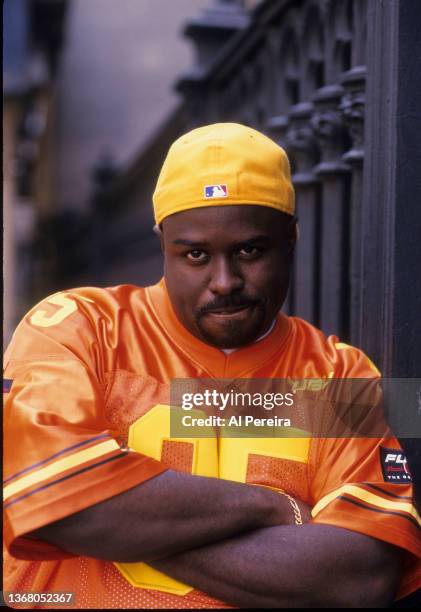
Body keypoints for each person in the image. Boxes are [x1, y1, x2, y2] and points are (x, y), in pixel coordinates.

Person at [3, 123, 420, 609]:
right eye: (196, 254)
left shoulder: (337, 375)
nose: (225, 282)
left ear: (291, 238)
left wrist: (120, 522)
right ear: (163, 243)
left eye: (250, 250)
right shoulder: (77, 328)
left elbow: (358, 580)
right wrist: (273, 506)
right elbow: (55, 506)